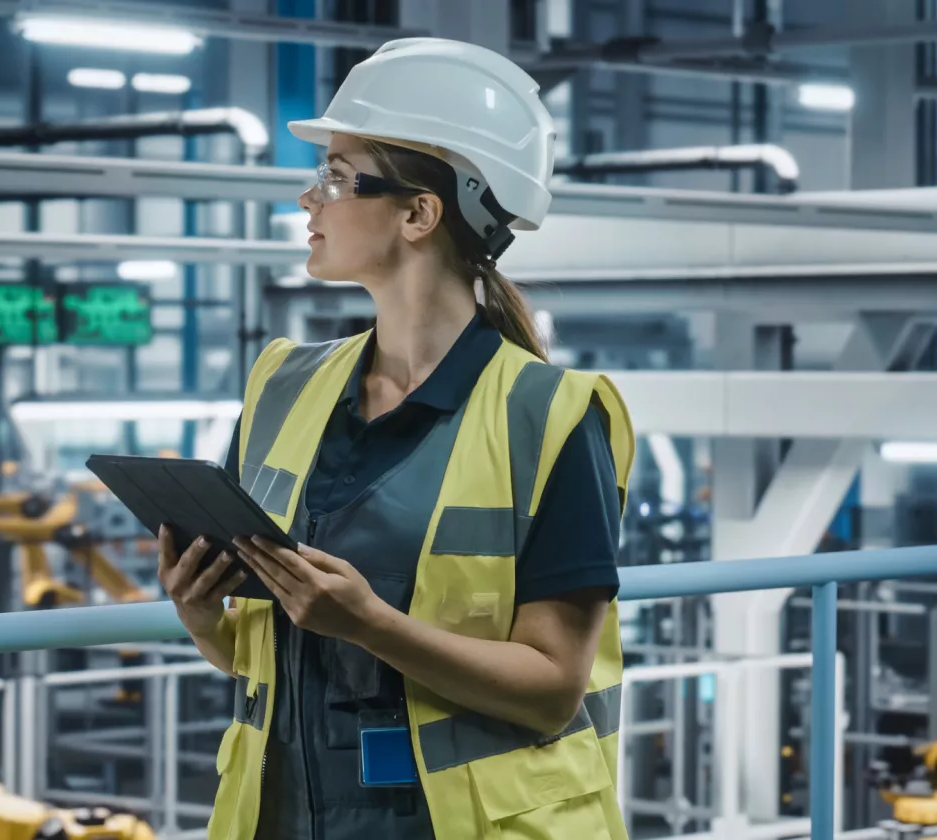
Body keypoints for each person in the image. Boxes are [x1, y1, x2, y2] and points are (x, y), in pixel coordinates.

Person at [156, 38, 635, 840]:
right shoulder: (282, 386)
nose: (311, 200)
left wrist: (368, 623)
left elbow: (553, 686)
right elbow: (270, 654)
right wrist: (205, 617)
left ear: (419, 213)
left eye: (339, 177)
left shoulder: (550, 415)